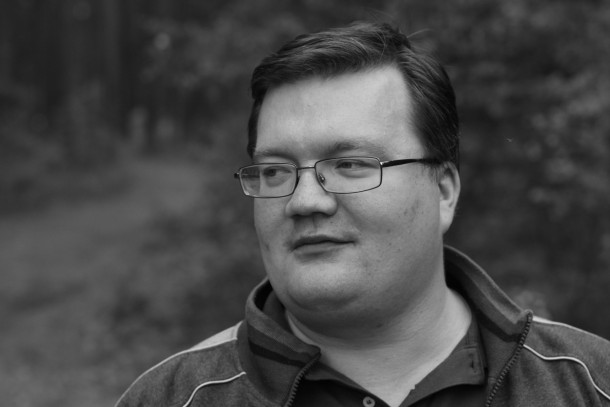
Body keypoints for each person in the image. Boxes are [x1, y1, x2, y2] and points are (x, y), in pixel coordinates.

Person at [116, 21, 610, 407]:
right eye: (275, 171)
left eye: (350, 165)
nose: (304, 201)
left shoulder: (588, 385)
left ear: (443, 191)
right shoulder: (170, 399)